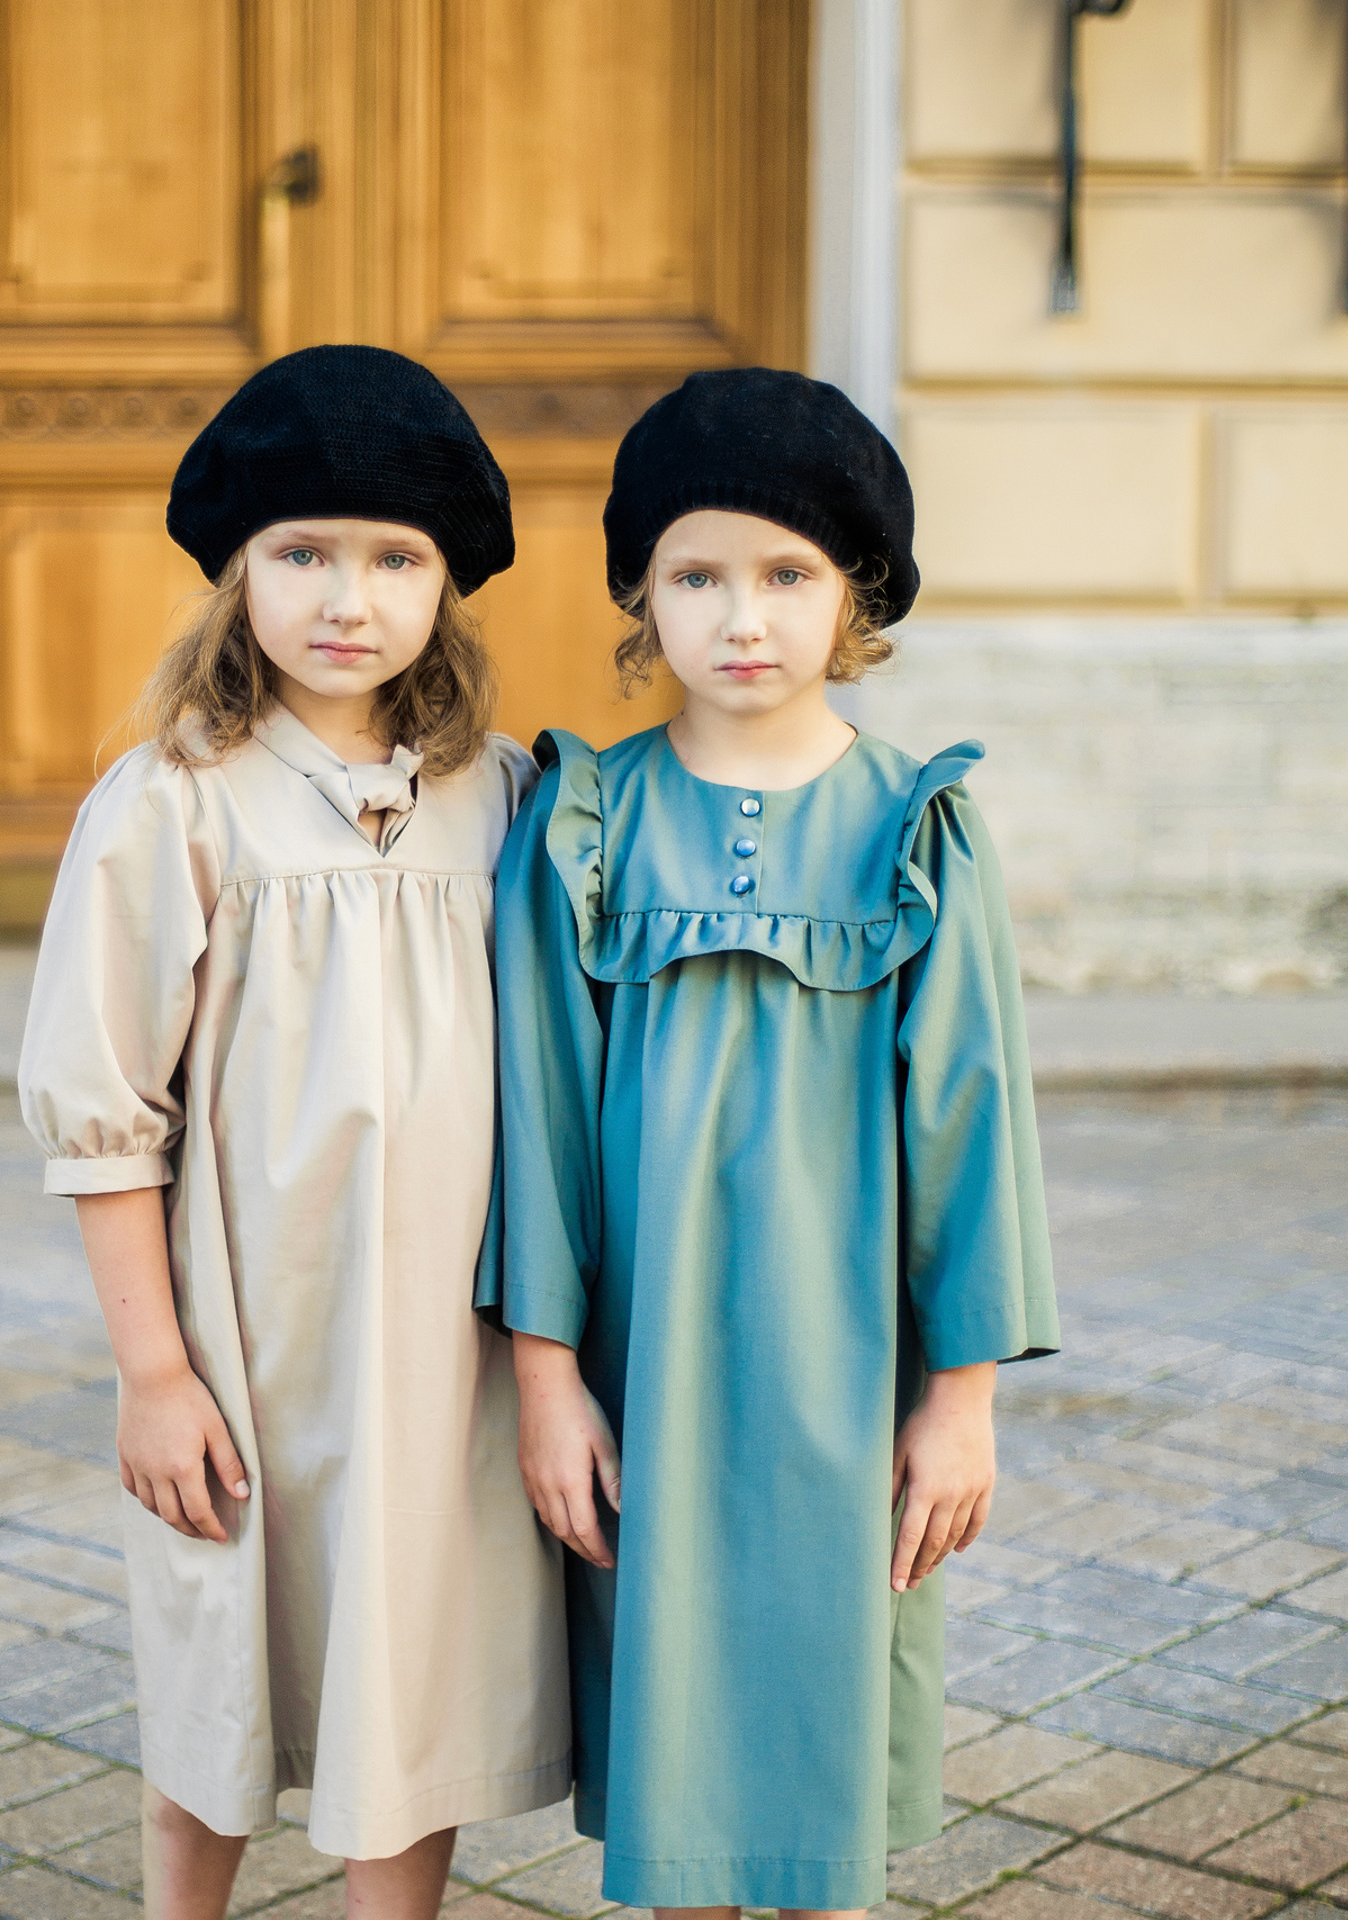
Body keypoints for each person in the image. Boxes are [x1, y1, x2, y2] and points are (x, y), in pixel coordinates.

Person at [480, 368, 1060, 1919]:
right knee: (679, 1743)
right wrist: (546, 1384)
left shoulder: (914, 829)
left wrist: (962, 1402)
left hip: (844, 1363)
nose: (745, 617)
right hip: (643, 1364)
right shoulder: (585, 827)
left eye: (788, 575)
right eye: (698, 576)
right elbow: (534, 1120)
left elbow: (971, 1123)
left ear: (854, 595)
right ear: (642, 599)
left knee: (821, 1718)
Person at [19, 345, 568, 1920]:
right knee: (220, 1669)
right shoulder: (176, 804)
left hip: (446, 1341)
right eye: (303, 553)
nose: (350, 596)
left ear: (447, 585)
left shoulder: (503, 796)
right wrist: (152, 1374)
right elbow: (105, 1109)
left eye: (397, 558)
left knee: (414, 1675)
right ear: (236, 576)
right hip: (253, 1338)